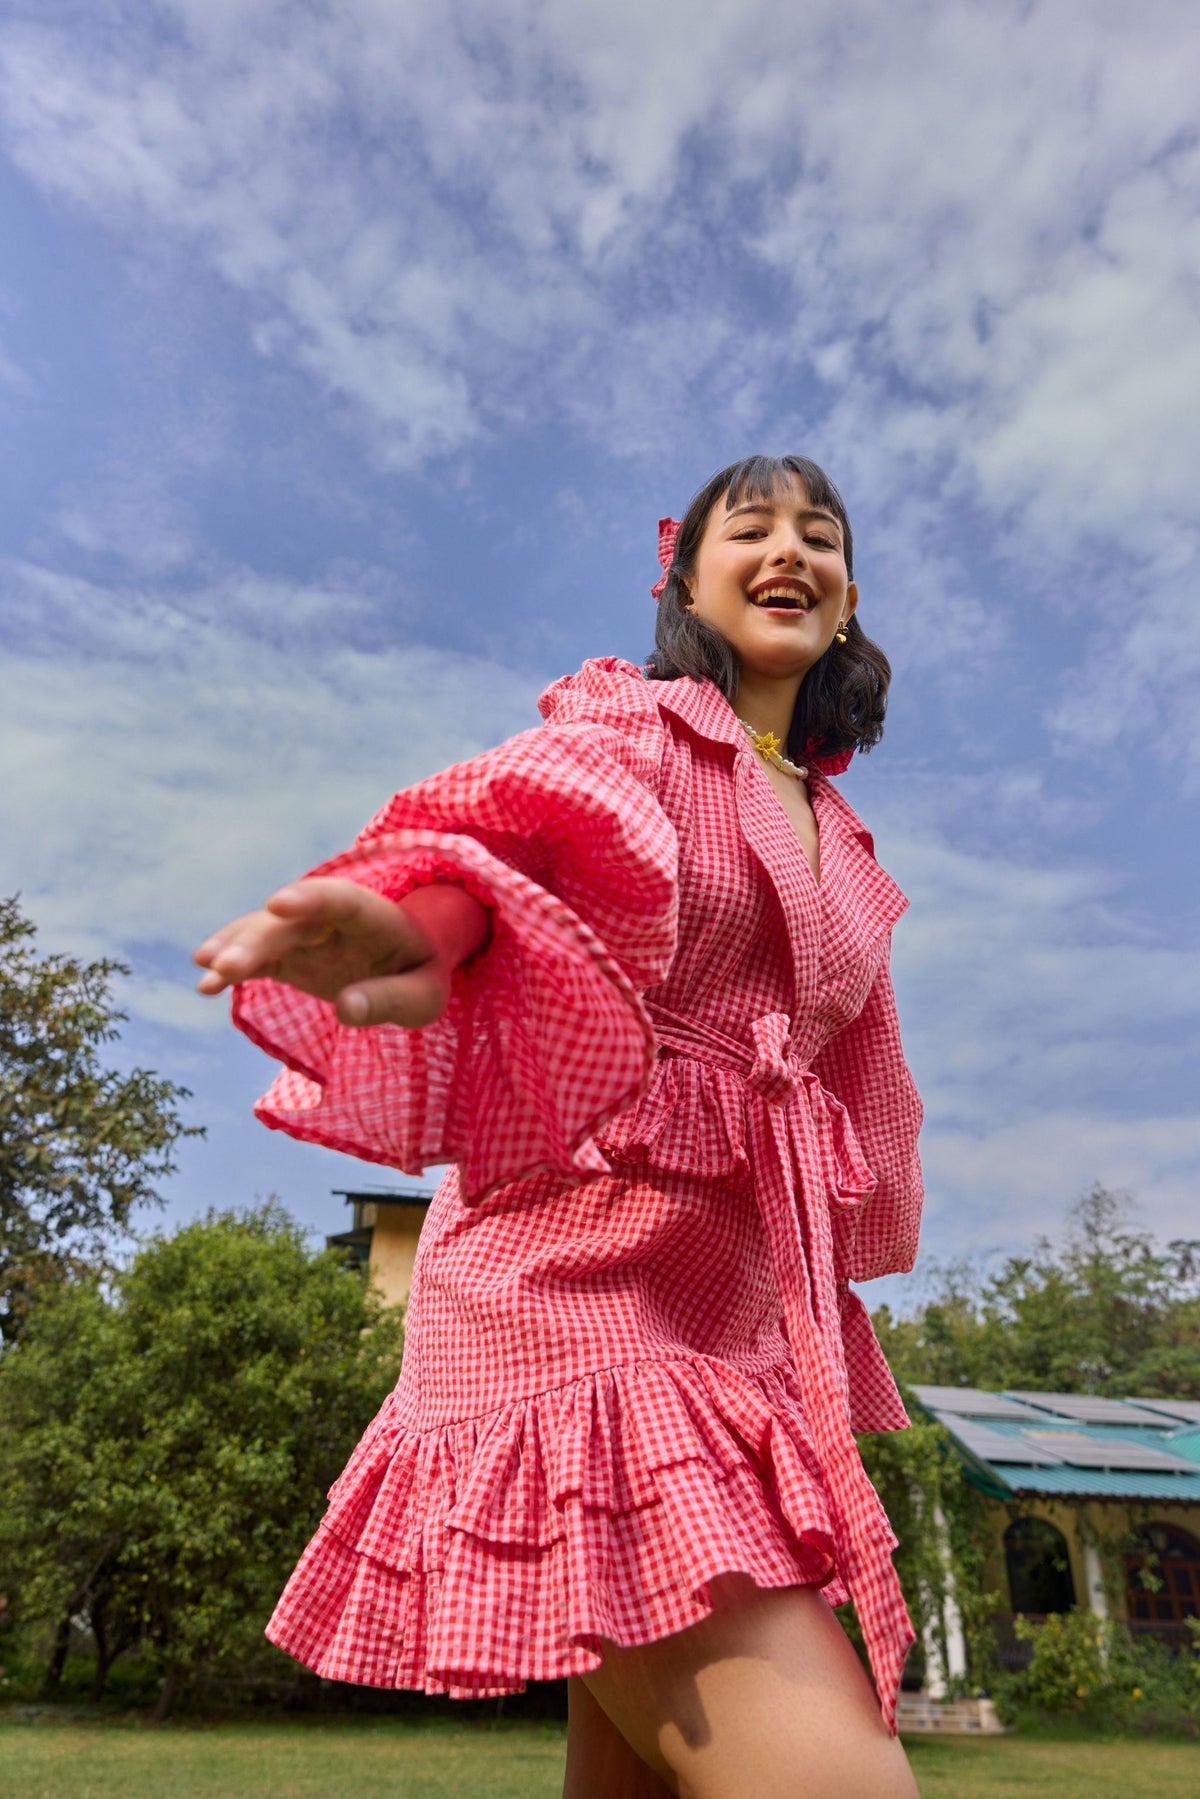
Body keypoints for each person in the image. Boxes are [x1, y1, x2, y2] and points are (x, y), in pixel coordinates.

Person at [194, 455, 924, 1799]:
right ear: (685, 579)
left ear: (848, 593)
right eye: (749, 527)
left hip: (734, 1324)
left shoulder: (848, 842)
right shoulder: (635, 732)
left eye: (818, 536)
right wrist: (409, 932)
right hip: (568, 1301)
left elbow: (853, 1086)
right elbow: (520, 857)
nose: (788, 551)